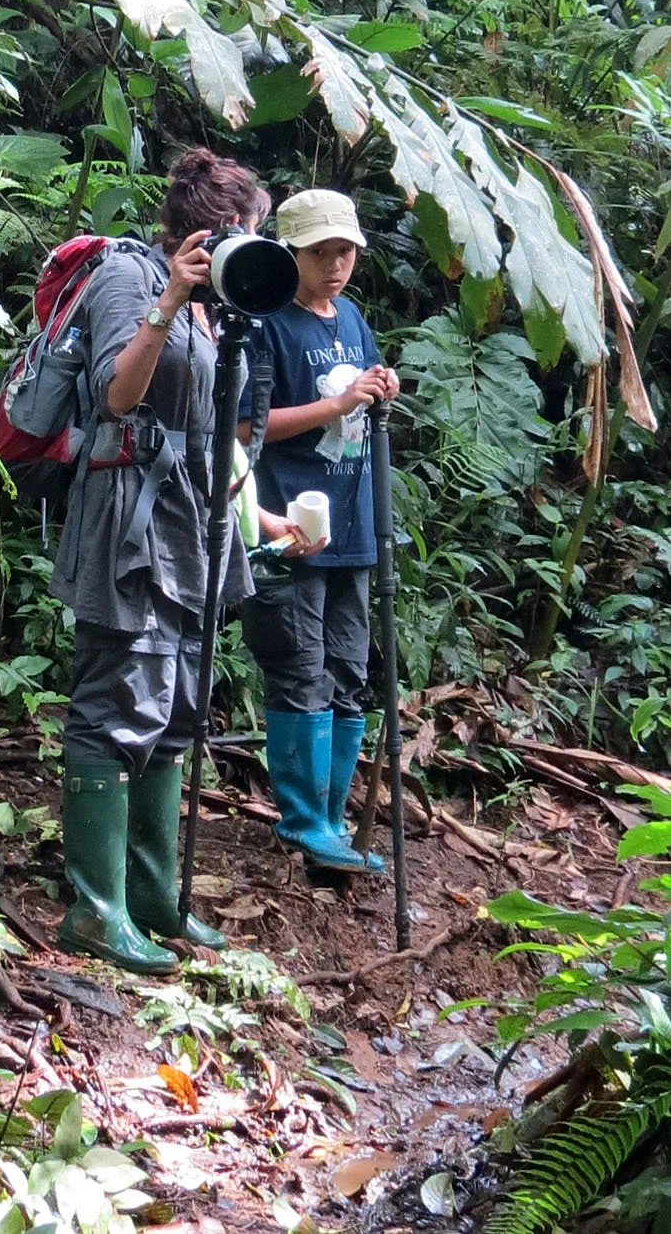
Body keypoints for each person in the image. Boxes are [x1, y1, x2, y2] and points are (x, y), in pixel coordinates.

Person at [51, 149, 316, 974]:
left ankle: (152, 897)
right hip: (130, 523)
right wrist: (169, 299)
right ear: (213, 229)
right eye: (250, 233)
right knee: (115, 700)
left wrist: (256, 515)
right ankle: (94, 911)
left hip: (198, 527)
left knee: (176, 708)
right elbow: (116, 397)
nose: (256, 250)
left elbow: (215, 434)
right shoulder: (130, 277)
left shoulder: (221, 310)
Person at [240, 189, 400, 874]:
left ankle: (331, 822)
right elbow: (243, 428)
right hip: (290, 527)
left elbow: (358, 401)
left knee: (347, 671)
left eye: (345, 252)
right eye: (320, 253)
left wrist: (378, 386)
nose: (336, 265)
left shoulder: (352, 318)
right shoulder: (266, 322)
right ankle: (303, 820)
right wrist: (334, 403)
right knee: (299, 668)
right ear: (291, 253)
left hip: (353, 527)